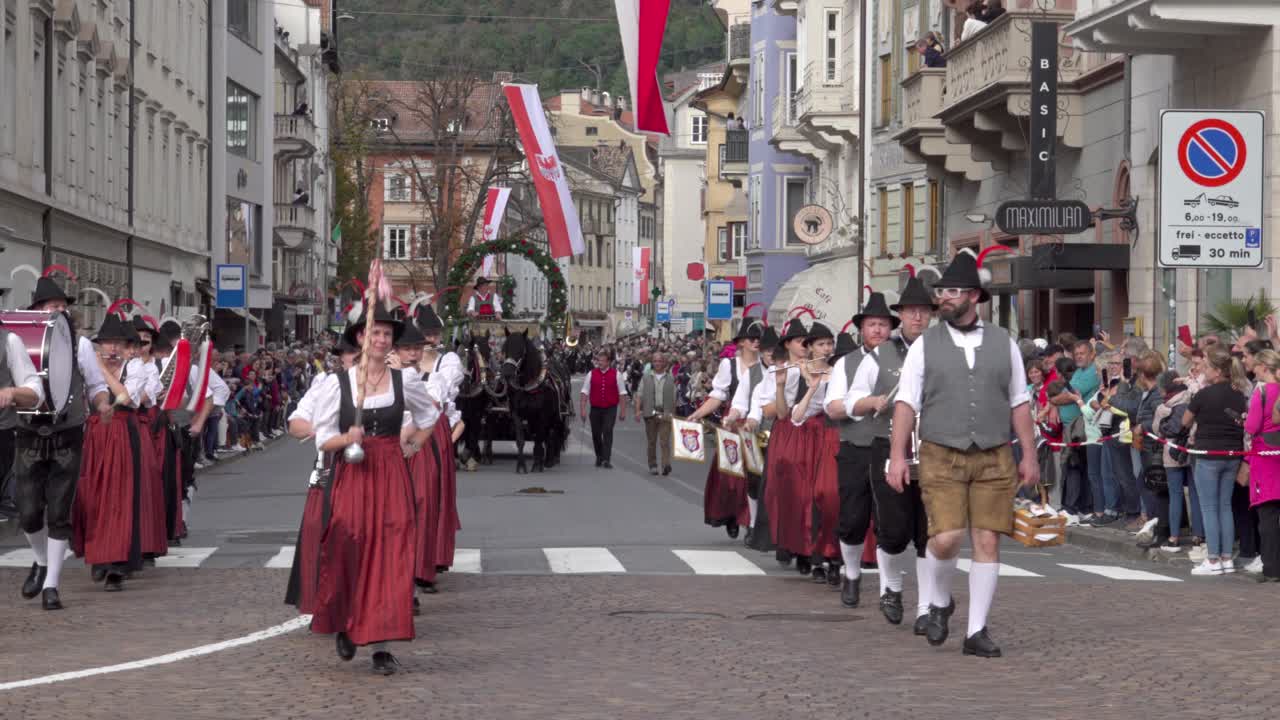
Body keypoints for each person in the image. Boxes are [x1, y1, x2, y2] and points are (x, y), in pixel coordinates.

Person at [887, 248, 1037, 658]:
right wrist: (898, 456)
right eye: (943, 291)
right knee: (946, 537)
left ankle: (976, 631)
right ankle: (938, 600)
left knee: (987, 539)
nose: (944, 298)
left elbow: (1019, 401)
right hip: (941, 451)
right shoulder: (925, 345)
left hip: (994, 453)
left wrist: (1030, 454)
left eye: (952, 291)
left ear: (974, 296)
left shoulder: (1004, 343)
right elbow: (906, 404)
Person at [308, 300, 440, 675]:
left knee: (392, 550)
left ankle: (381, 644)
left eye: (387, 334)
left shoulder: (406, 380)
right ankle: (348, 622)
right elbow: (322, 438)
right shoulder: (340, 383)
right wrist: (347, 437)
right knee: (347, 541)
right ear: (361, 337)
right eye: (375, 333)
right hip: (354, 472)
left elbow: (429, 417)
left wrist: (411, 447)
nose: (381, 339)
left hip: (391, 471)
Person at [843, 276, 937, 631]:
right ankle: (892, 589)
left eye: (923, 311)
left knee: (930, 531)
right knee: (894, 529)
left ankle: (927, 607)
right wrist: (872, 402)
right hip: (889, 445)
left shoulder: (941, 350)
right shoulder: (880, 355)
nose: (917, 317)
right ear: (902, 316)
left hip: (933, 447)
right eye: (911, 312)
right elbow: (852, 401)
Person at [14, 275, 110, 611]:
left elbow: (96, 384)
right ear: (38, 311)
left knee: (58, 510)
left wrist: (102, 403)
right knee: (26, 511)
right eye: (52, 306)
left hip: (68, 431)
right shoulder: (20, 342)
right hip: (28, 431)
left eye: (62, 307)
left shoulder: (80, 345)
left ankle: (52, 584)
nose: (59, 311)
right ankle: (40, 561)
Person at [823, 292, 898, 608]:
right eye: (872, 324)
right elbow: (833, 408)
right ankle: (851, 574)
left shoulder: (903, 360)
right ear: (862, 329)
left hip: (892, 450)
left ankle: (887, 587)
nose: (878, 330)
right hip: (855, 447)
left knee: (889, 522)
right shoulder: (846, 363)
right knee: (853, 518)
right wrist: (866, 404)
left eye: (883, 325)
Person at [72, 313, 148, 592]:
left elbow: (126, 398)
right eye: (106, 343)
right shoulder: (84, 367)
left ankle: (118, 563)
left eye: (117, 343)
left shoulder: (135, 367)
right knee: (91, 495)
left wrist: (100, 370)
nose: (112, 348)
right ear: (99, 345)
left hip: (121, 434)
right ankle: (98, 557)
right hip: (94, 434)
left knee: (119, 497)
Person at [689, 320, 764, 538]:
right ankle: (731, 515)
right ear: (741, 342)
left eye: (760, 338)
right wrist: (698, 414)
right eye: (752, 338)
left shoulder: (766, 364)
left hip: (759, 423)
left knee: (757, 474)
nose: (757, 342)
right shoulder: (729, 365)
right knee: (731, 476)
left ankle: (751, 521)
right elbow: (718, 396)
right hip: (734, 423)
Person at [1182, 346, 1248, 576]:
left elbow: (1186, 420)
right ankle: (1226, 557)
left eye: (1207, 367)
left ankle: (1212, 559)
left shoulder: (1203, 394)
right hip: (1232, 455)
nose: (1204, 371)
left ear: (1218, 371)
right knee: (1224, 506)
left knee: (1209, 507)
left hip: (1208, 454)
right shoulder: (1239, 394)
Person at [1245, 349, 1280, 581]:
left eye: (1256, 366)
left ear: (1264, 367)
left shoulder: (1263, 392)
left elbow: (1251, 426)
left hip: (1265, 458)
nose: (1253, 370)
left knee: (1267, 518)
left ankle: (1272, 569)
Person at [579, 348, 628, 469]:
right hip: (595, 409)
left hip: (610, 408)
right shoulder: (591, 374)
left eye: (602, 361)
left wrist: (623, 411)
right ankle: (599, 456)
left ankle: (606, 459)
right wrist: (583, 409)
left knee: (607, 431)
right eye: (598, 360)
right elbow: (584, 392)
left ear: (609, 362)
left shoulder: (617, 375)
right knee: (596, 434)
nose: (600, 363)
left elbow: (622, 393)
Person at [635, 351, 675, 476]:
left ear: (664, 363)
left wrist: (674, 413)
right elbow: (639, 395)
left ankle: (665, 465)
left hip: (665, 413)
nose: (657, 363)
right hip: (650, 413)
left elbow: (674, 397)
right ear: (652, 363)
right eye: (655, 361)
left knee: (664, 441)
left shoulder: (670, 378)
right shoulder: (646, 377)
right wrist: (637, 411)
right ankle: (652, 464)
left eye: (660, 361)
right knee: (652, 441)